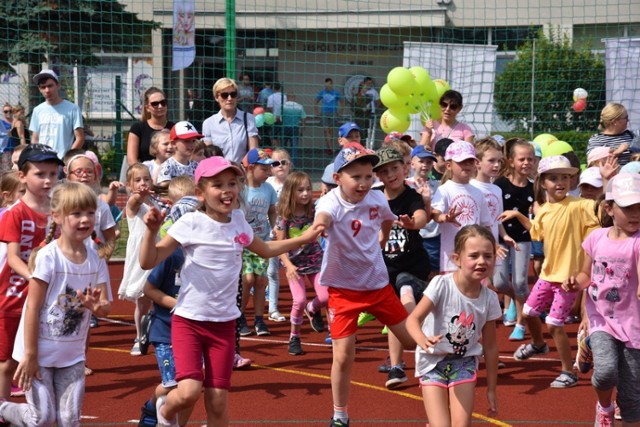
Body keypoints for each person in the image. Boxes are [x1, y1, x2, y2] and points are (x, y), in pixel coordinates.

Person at [138, 156, 322, 427]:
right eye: (218, 184)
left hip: (224, 324)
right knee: (188, 392)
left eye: (232, 183)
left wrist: (305, 238)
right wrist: (150, 232)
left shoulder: (238, 221)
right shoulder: (189, 223)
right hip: (189, 321)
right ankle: (164, 411)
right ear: (200, 192)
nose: (227, 190)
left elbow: (266, 248)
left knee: (218, 400)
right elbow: (148, 261)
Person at [311, 144, 416, 427]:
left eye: (369, 176)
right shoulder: (330, 203)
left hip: (377, 285)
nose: (363, 183)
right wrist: (318, 228)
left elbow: (385, 220)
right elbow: (322, 218)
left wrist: (382, 240)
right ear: (338, 178)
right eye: (356, 177)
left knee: (411, 341)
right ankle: (340, 414)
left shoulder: (377, 199)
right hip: (343, 291)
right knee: (344, 356)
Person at [0, 182, 111, 427]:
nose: (85, 220)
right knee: (42, 418)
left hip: (72, 356)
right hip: (38, 354)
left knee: (70, 421)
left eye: (90, 213)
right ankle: (4, 407)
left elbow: (105, 307)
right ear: (57, 217)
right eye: (76, 213)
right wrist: (29, 355)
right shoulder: (49, 258)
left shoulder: (96, 259)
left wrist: (96, 308)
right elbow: (33, 307)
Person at [499, 155, 599, 388]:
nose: (560, 182)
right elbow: (537, 232)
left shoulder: (579, 205)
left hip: (568, 279)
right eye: (553, 178)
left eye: (564, 177)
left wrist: (605, 180)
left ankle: (569, 372)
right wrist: (518, 215)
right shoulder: (543, 209)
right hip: (547, 275)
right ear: (543, 182)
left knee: (554, 324)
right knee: (529, 311)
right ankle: (538, 344)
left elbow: (600, 211)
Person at [562, 173, 640, 426]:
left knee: (631, 394)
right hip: (601, 319)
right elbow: (587, 274)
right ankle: (604, 407)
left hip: (634, 324)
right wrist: (575, 282)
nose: (635, 214)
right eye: (628, 208)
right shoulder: (596, 238)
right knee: (605, 372)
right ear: (609, 208)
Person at [406, 225, 501, 427]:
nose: (482, 261)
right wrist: (423, 340)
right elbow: (412, 320)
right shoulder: (442, 284)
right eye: (474, 256)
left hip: (464, 362)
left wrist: (491, 388)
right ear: (457, 259)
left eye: (488, 255)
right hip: (432, 361)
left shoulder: (490, 298)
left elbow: (491, 347)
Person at [0, 144, 62, 406]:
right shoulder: (15, 213)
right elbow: (13, 257)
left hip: (45, 300)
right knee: (6, 362)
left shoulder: (59, 211)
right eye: (40, 174)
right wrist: (34, 278)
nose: (48, 180)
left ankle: (40, 408)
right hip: (12, 297)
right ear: (23, 176)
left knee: (40, 356)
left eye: (53, 173)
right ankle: (3, 407)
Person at [373, 147, 430, 389]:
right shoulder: (374, 196)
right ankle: (397, 366)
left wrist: (412, 223)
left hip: (413, 267)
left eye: (394, 168)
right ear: (378, 176)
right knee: (393, 316)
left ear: (404, 169)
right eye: (384, 171)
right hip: (386, 269)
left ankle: (421, 348)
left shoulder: (411, 196)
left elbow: (422, 217)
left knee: (405, 292)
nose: (391, 174)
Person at [275, 171, 327, 355]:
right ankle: (294, 337)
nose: (306, 194)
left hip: (314, 259)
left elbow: (322, 227)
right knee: (299, 299)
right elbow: (279, 245)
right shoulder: (285, 216)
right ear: (290, 192)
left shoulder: (313, 210)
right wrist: (288, 266)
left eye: (307, 189)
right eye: (300, 190)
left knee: (326, 296)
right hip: (294, 264)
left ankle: (311, 309)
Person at [493, 138, 536, 342]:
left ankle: (520, 323)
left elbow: (537, 218)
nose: (526, 163)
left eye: (530, 159)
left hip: (522, 239)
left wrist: (521, 216)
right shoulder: (500, 185)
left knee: (520, 282)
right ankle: (514, 301)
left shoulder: (534, 189)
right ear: (511, 161)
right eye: (522, 159)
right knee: (500, 282)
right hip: (501, 238)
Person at [431, 140, 492, 272]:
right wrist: (445, 217)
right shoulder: (444, 189)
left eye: (470, 161)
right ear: (448, 165)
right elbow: (435, 213)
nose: (467, 165)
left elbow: (486, 224)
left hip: (475, 255)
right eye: (461, 161)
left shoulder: (478, 192)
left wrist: (493, 245)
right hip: (451, 256)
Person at [118, 163, 158, 356]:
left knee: (159, 298)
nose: (143, 183)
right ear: (129, 184)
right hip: (141, 255)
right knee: (142, 301)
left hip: (158, 253)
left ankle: (161, 337)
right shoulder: (134, 204)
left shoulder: (156, 202)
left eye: (147, 179)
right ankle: (139, 336)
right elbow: (135, 200)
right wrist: (139, 195)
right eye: (138, 180)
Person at [238, 148, 278, 337]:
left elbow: (272, 210)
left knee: (261, 280)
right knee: (247, 279)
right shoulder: (241, 190)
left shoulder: (268, 189)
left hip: (262, 241)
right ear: (251, 168)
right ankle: (240, 316)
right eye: (265, 169)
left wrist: (273, 227)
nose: (269, 173)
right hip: (244, 244)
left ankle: (259, 319)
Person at [202, 77, 259, 164]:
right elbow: (208, 155)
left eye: (233, 94)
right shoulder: (209, 123)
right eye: (224, 95)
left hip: (242, 172)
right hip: (219, 172)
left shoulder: (249, 119)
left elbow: (253, 151)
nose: (229, 98)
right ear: (217, 98)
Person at [29, 70, 84, 159]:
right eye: (43, 87)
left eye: (50, 86)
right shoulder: (37, 110)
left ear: (58, 85)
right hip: (42, 161)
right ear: (39, 89)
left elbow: (80, 138)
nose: (47, 90)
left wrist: (67, 158)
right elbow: (35, 139)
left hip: (61, 162)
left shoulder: (72, 109)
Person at [266, 149, 293, 323]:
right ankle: (273, 308)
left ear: (289, 165)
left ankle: (302, 303)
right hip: (271, 234)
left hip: (292, 234)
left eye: (284, 162)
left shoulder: (294, 183)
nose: (280, 166)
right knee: (272, 271)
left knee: (296, 269)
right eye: (276, 163)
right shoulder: (268, 184)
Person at [127, 87, 174, 166]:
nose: (160, 106)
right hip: (145, 174)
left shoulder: (174, 128)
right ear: (147, 108)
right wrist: (146, 175)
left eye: (163, 102)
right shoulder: (137, 128)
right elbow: (132, 160)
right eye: (155, 104)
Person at [156, 121, 201, 188]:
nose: (191, 145)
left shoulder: (196, 165)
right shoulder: (168, 165)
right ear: (173, 143)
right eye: (187, 141)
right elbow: (163, 186)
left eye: (193, 141)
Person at [316, 78, 343, 154]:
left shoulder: (336, 93)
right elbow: (316, 101)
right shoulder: (322, 92)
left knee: (330, 131)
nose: (327, 86)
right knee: (326, 130)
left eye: (329, 84)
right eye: (326, 84)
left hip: (333, 112)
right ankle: (330, 148)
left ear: (331, 84)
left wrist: (339, 111)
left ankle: (329, 148)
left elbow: (342, 102)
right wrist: (317, 111)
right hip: (324, 112)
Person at [281, 94, 306, 164]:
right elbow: (303, 119)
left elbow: (277, 117)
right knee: (294, 147)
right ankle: (293, 164)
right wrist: (302, 129)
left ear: (287, 97)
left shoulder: (283, 106)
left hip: (285, 127)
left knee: (283, 146)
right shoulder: (299, 106)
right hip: (295, 128)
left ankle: (283, 162)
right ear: (294, 98)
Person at [1, 104, 13, 172]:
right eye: (6, 111)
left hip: (15, 149)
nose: (8, 113)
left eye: (10, 111)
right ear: (3, 112)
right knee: (6, 170)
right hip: (5, 150)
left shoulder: (16, 122)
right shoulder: (1, 123)